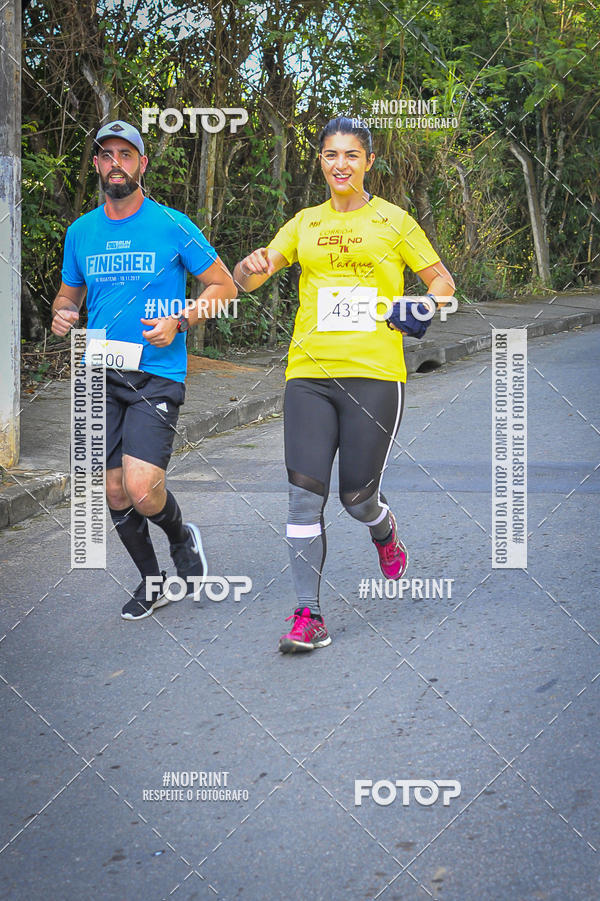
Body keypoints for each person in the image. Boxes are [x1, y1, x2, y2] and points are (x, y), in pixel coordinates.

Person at [233, 116, 455, 653]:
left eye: (351, 155)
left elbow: (443, 283)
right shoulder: (304, 222)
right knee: (302, 500)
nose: (340, 164)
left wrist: (426, 302)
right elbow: (255, 273)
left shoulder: (395, 221)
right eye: (331, 155)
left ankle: (381, 526)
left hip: (375, 375)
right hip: (309, 374)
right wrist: (247, 268)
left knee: (355, 498)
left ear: (368, 162)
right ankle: (307, 615)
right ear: (321, 162)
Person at [52, 120, 237, 620]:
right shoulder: (81, 232)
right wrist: (62, 313)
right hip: (98, 372)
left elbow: (223, 287)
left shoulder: (172, 225)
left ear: (141, 164)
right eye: (106, 155)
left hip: (156, 373)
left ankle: (181, 535)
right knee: (111, 489)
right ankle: (151, 581)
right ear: (96, 166)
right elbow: (69, 295)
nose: (116, 163)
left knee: (141, 488)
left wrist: (180, 320)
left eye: (126, 155)